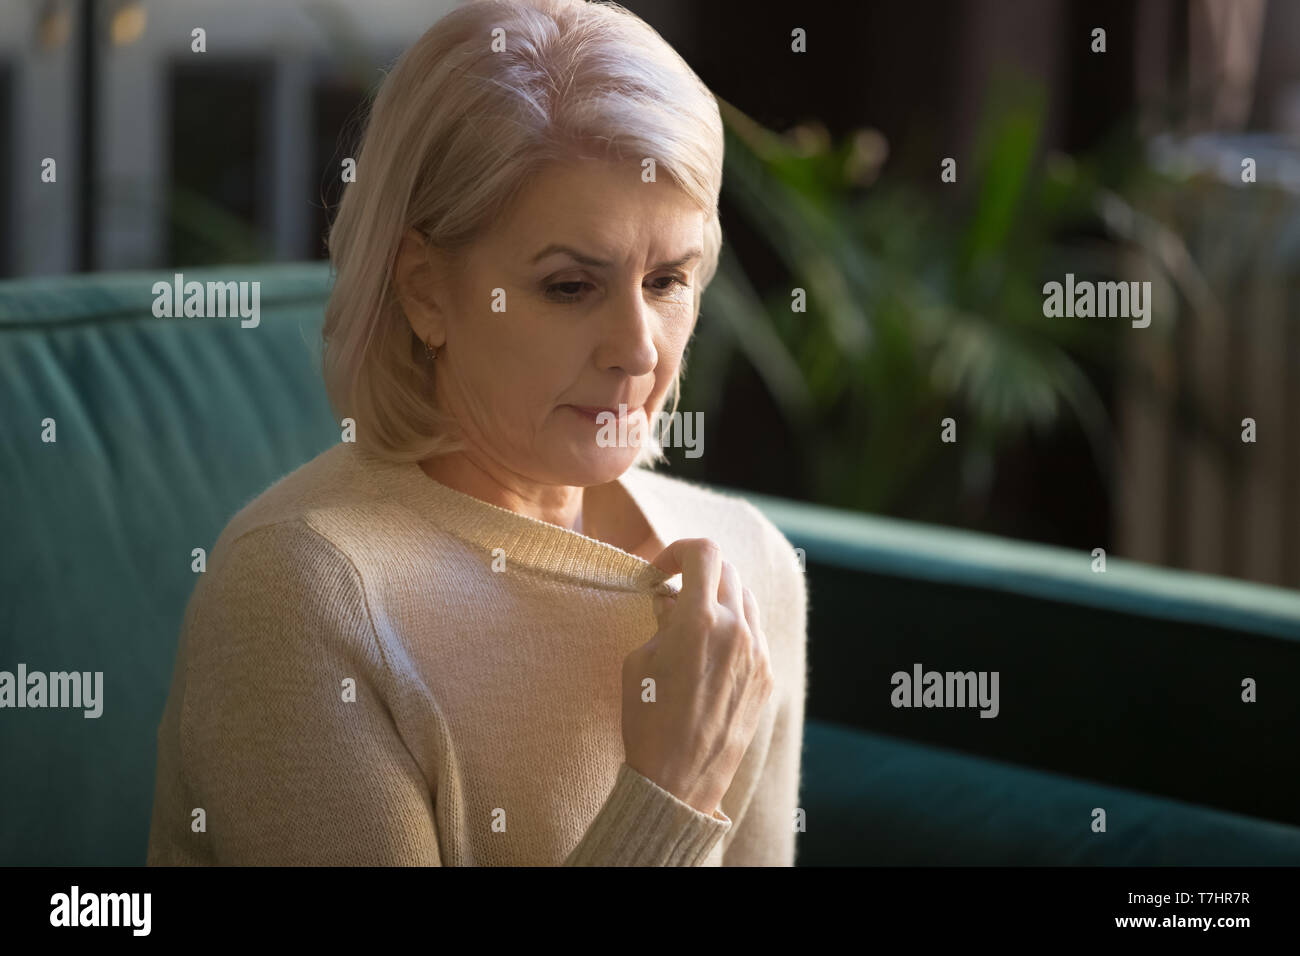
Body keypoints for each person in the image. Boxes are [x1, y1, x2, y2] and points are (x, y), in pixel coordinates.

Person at [146, 0, 807, 866]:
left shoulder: (747, 565)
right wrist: (668, 800)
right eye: (571, 285)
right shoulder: (303, 597)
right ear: (424, 290)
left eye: (669, 279)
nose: (639, 349)